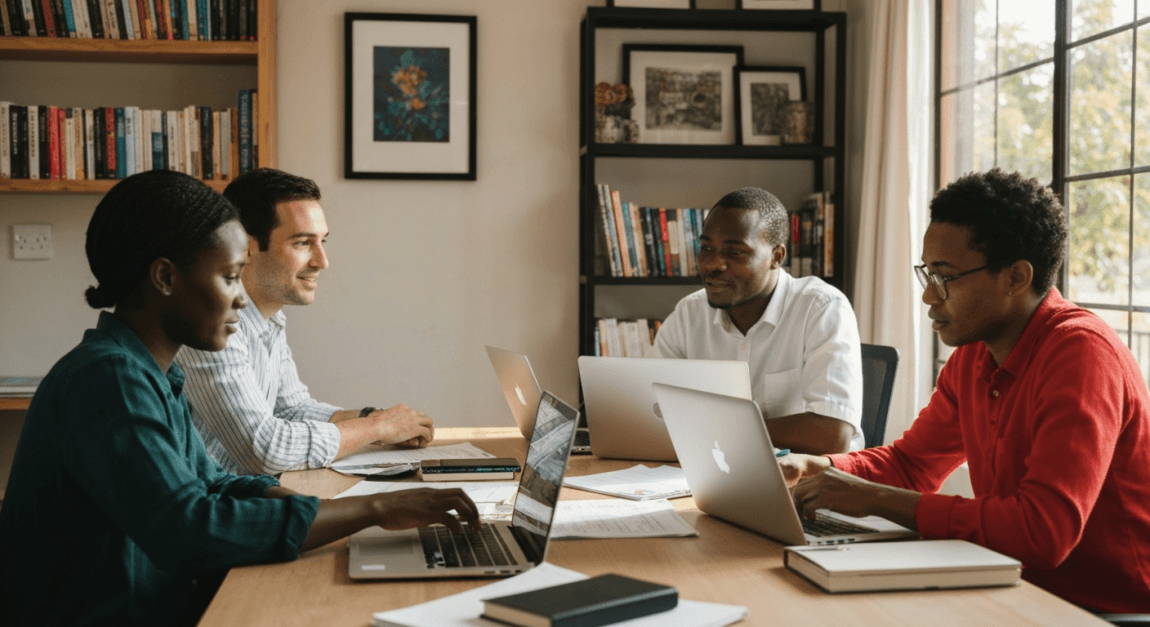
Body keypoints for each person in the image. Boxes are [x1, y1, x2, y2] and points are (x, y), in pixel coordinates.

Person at [0, 171, 480, 627]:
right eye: (230, 277)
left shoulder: (148, 372)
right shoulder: (109, 377)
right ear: (165, 278)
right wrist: (373, 512)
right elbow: (188, 528)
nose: (243, 299)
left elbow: (215, 483)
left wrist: (334, 514)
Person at [783, 169, 1150, 613]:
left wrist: (876, 499)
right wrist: (821, 467)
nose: (929, 297)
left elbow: (1043, 531)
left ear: (1015, 277)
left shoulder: (1081, 356)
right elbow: (912, 463)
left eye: (945, 276)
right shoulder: (975, 355)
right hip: (1008, 586)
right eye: (927, 274)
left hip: (1101, 611)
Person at [176, 168, 434, 475]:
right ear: (245, 243)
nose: (322, 262)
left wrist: (374, 419)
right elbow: (266, 450)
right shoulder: (212, 323)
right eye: (302, 243)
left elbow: (291, 409)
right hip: (205, 512)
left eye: (323, 241)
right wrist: (376, 428)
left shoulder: (267, 318)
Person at [648, 187, 863, 454]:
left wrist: (720, 428)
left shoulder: (821, 308)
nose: (712, 264)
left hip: (804, 480)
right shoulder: (689, 313)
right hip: (711, 468)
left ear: (777, 256)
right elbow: (647, 409)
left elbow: (833, 435)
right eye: (706, 248)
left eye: (735, 252)